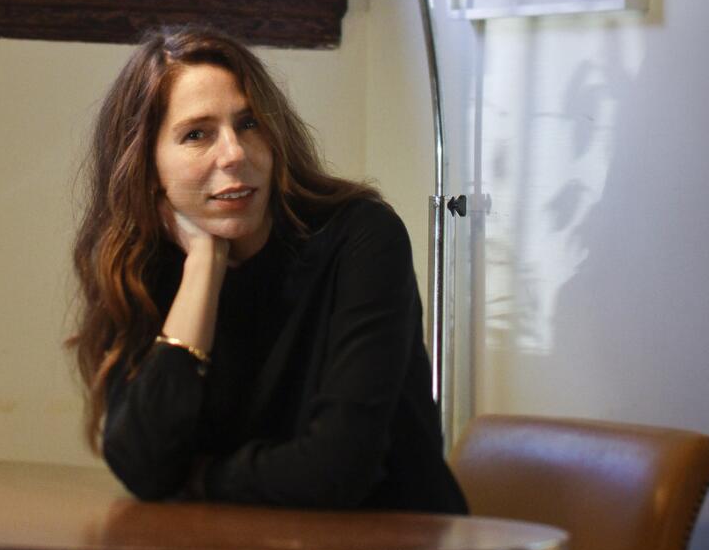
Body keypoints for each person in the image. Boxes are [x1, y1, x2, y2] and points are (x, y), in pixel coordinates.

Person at [69, 26, 467, 513]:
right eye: (198, 134)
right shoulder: (148, 264)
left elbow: (336, 471)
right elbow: (143, 464)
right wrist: (205, 266)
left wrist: (196, 478)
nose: (234, 153)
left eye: (249, 123)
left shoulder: (362, 237)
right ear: (147, 167)